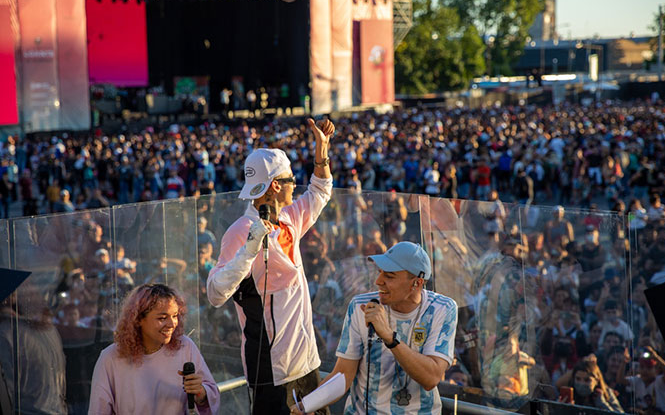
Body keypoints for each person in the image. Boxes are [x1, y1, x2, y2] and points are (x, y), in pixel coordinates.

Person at [206, 118, 335, 414]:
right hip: (270, 369)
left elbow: (320, 191)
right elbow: (215, 293)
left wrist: (322, 150)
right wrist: (249, 249)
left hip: (306, 360)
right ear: (276, 186)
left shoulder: (289, 218)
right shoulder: (240, 231)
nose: (295, 186)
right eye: (291, 180)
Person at [292, 241, 457, 414]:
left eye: (390, 276)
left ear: (417, 283)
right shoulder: (360, 306)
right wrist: (307, 405)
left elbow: (431, 378)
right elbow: (343, 374)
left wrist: (389, 337)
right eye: (380, 273)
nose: (379, 281)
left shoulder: (442, 308)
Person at [88, 284, 219, 414]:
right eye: (162, 318)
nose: (172, 324)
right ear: (138, 319)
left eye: (175, 316)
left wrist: (201, 393)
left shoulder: (185, 346)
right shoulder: (110, 358)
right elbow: (98, 410)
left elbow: (211, 394)